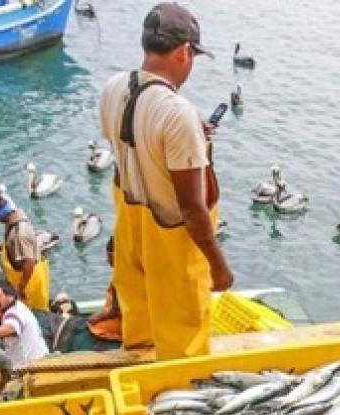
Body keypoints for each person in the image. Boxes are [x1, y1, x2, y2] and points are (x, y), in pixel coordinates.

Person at [99, 2, 233, 360]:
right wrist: (218, 266)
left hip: (132, 231)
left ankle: (140, 379)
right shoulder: (177, 113)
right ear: (183, 51)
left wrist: (189, 139)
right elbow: (192, 208)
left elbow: (126, 148)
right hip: (172, 246)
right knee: (183, 343)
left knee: (140, 331)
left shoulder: (114, 87)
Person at [0, 194, 51, 312]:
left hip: (30, 281)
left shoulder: (20, 234)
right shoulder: (14, 217)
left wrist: (21, 287)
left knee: (35, 312)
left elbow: (29, 262)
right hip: (21, 274)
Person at [0, 279, 49, 366]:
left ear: (10, 296)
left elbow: (11, 328)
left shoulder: (14, 313)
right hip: (39, 359)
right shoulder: (18, 306)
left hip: (30, 367)